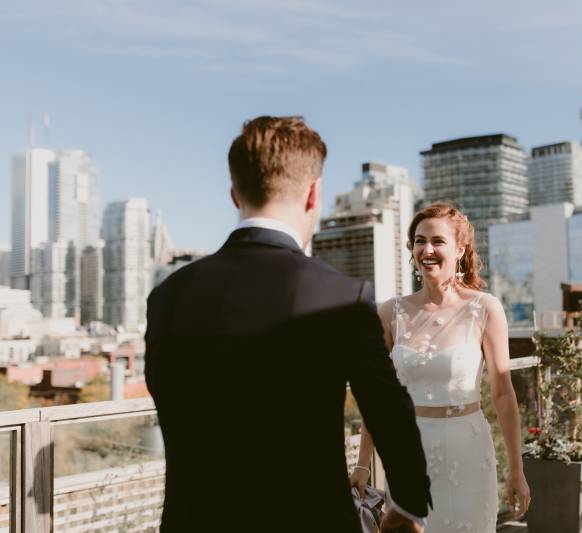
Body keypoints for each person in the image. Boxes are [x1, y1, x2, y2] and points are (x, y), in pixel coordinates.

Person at [145, 116, 431, 532]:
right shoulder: (341, 297)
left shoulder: (168, 295)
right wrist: (406, 507)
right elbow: (389, 411)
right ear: (313, 194)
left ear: (233, 194)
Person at [350, 203, 531, 532]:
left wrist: (516, 467)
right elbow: (378, 398)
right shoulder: (391, 313)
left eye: (437, 241)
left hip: (469, 454)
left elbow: (503, 393)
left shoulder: (485, 308)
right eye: (420, 241)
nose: (427, 250)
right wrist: (363, 464)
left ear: (460, 249)